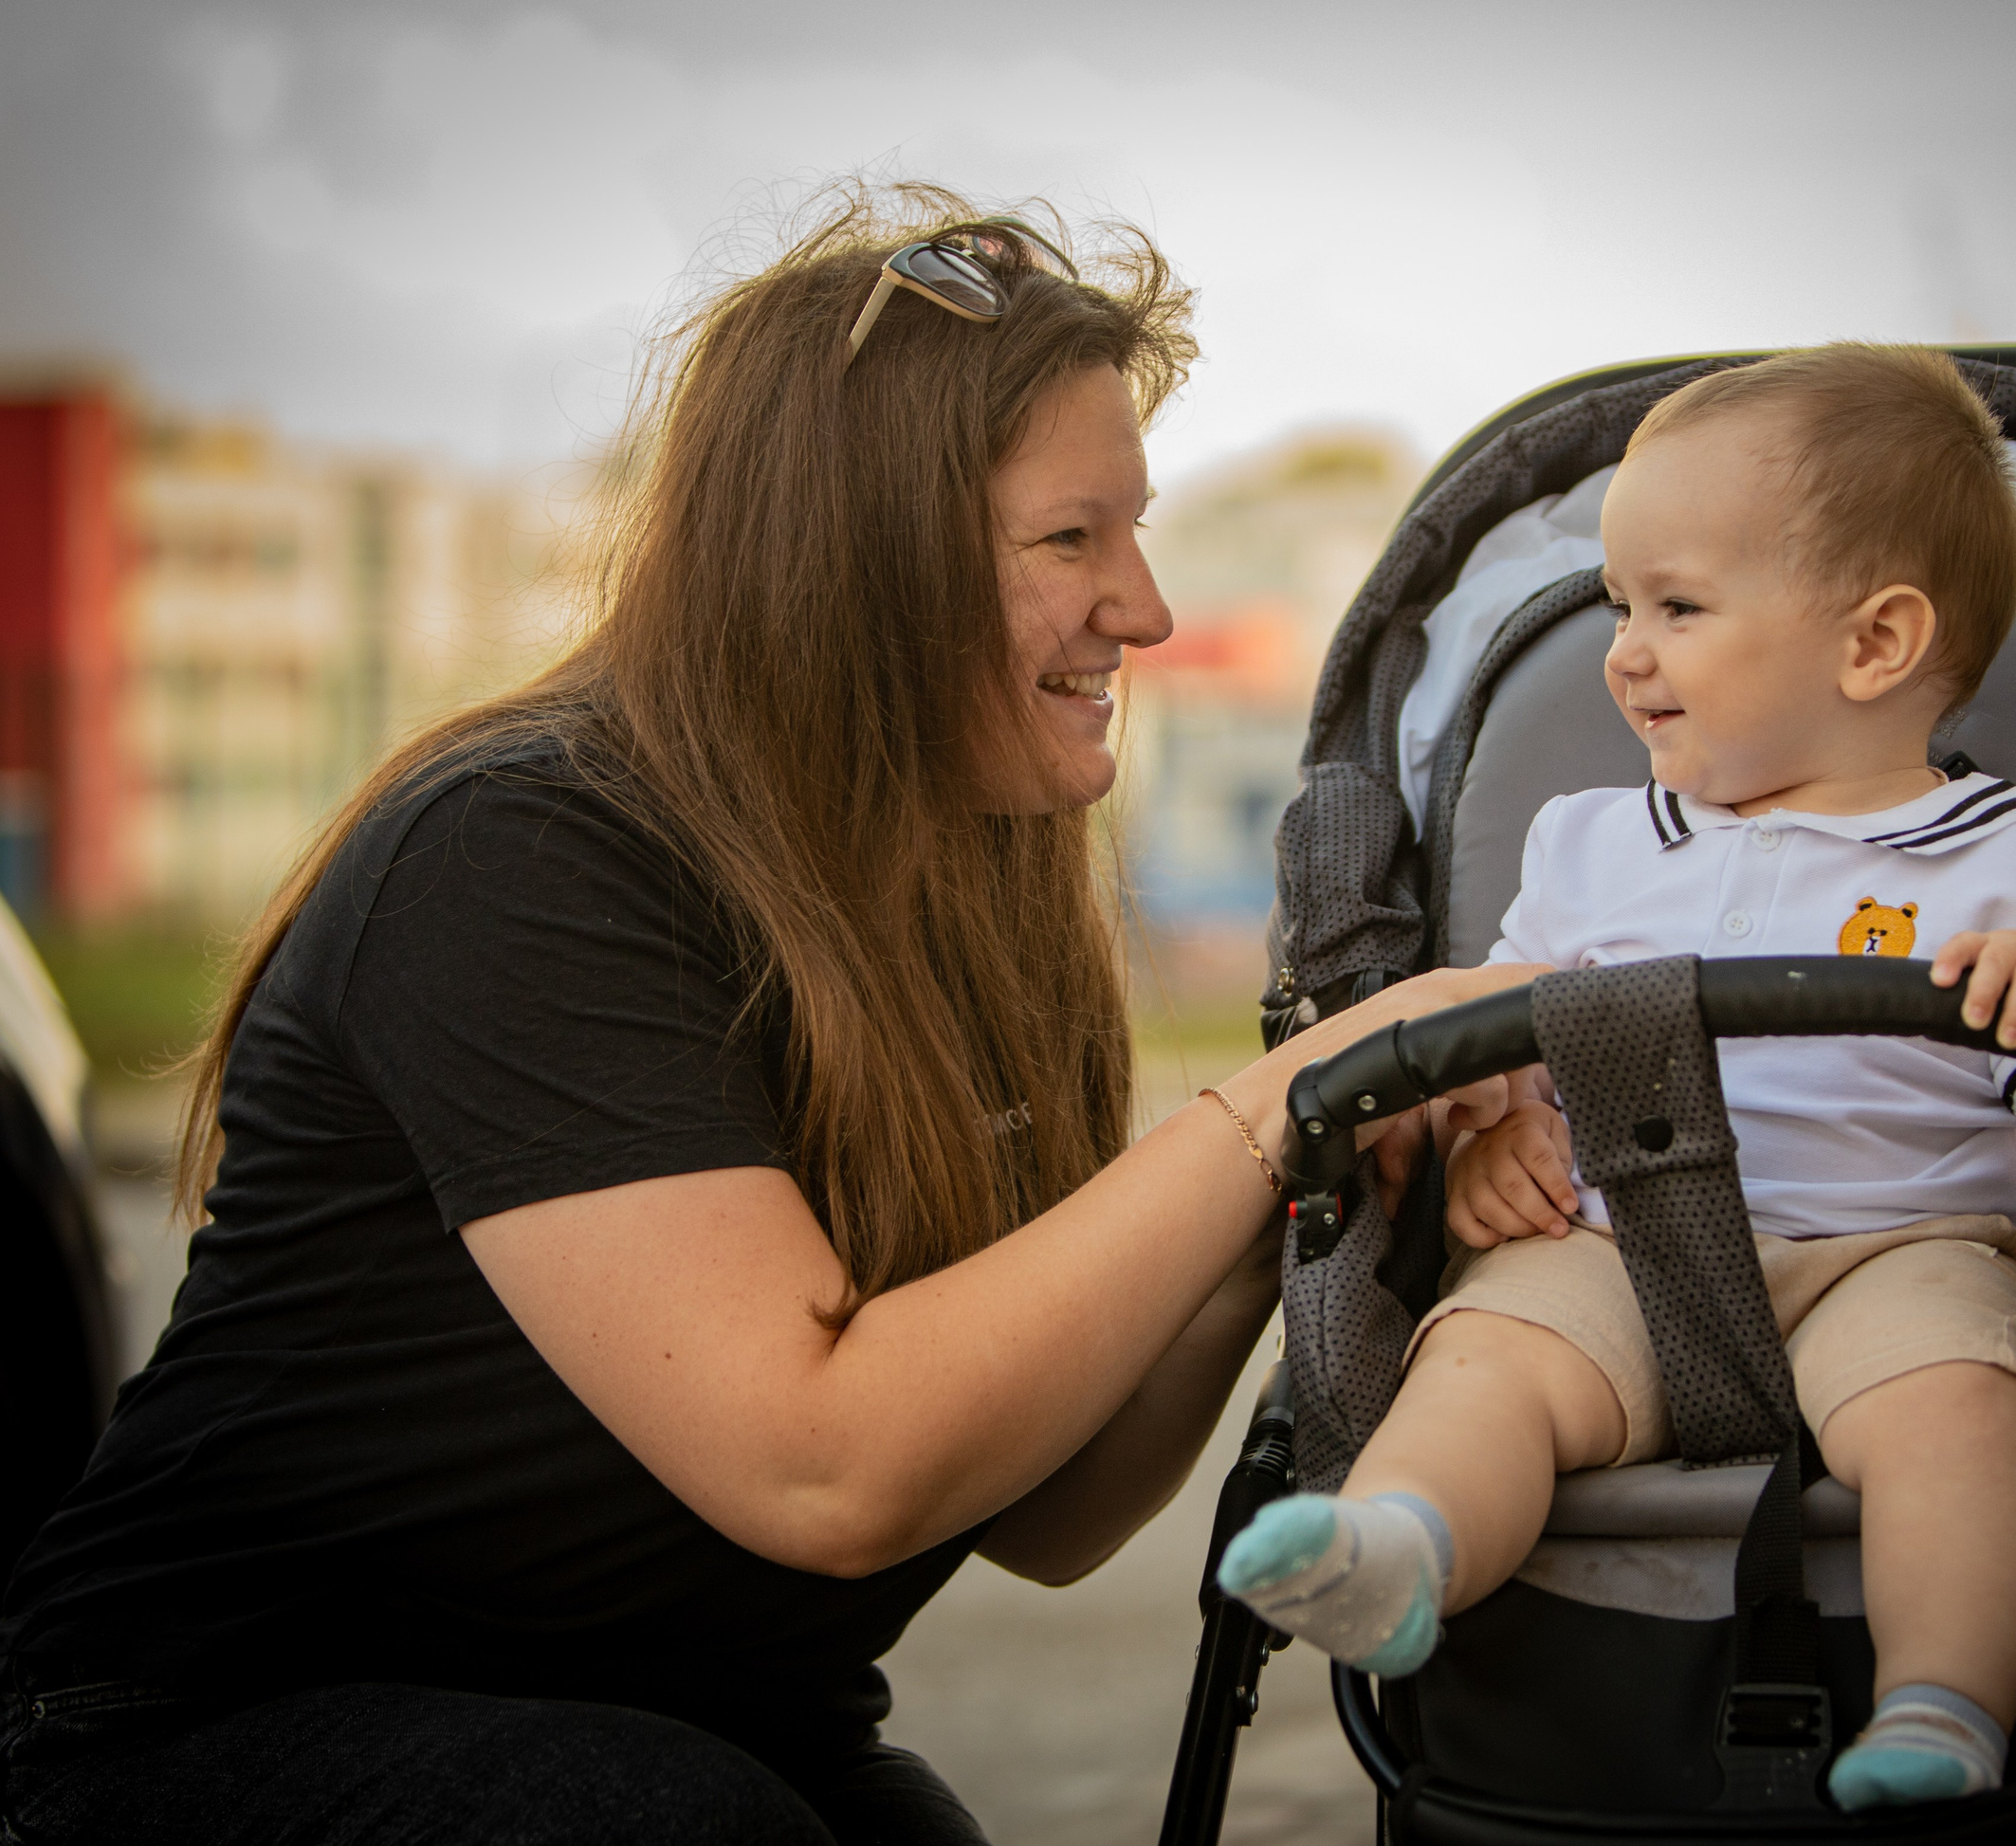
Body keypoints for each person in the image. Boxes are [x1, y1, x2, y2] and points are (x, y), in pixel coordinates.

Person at [0, 188, 1528, 1846]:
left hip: (713, 1737)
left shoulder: (981, 884)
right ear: (860, 562)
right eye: (1072, 539)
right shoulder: (524, 848)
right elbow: (828, 1468)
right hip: (237, 1732)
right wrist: (1274, 1105)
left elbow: (1047, 1507)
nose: (1145, 609)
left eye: (1135, 530)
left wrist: (1292, 1205)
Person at [1218, 344, 2016, 1811]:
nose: (1624, 650)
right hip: (1621, 1241)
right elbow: (1497, 1043)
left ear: (1874, 646)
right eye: (1615, 604)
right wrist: (1496, 1139)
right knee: (1490, 1356)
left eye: (1675, 606)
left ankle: (1942, 1709)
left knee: (1968, 1414)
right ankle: (1401, 1544)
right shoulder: (1586, 844)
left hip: (1902, 1250)